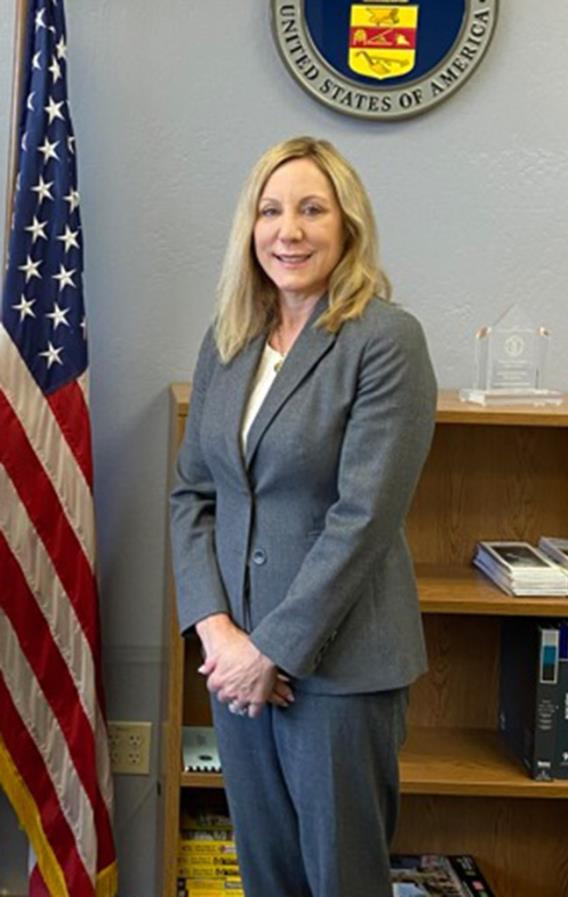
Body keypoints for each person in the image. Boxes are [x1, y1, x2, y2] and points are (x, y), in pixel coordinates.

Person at [170, 136, 437, 897]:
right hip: (236, 669)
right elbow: (193, 492)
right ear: (249, 229)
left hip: (339, 671)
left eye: (313, 209)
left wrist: (272, 652)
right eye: (272, 209)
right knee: (269, 876)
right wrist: (217, 631)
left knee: (340, 878)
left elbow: (365, 518)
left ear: (348, 225)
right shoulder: (228, 342)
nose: (289, 230)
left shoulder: (386, 340)